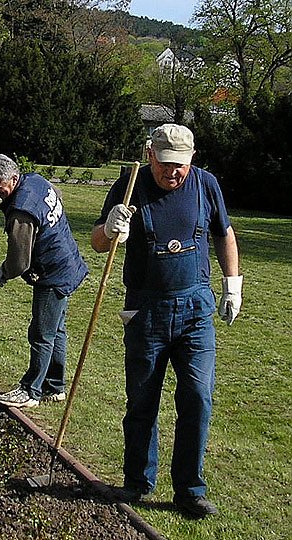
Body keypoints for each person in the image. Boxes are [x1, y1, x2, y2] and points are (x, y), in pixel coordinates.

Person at [91, 124, 242, 519]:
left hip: (195, 310)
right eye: (165, 163)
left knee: (198, 397)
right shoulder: (130, 186)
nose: (172, 172)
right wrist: (110, 229)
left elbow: (224, 233)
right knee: (142, 400)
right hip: (146, 311)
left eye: (180, 165)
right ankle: (137, 482)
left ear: (191, 160)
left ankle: (189, 490)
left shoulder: (205, 185)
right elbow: (97, 242)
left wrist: (232, 285)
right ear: (150, 155)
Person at [0, 153, 88, 409]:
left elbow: (19, 260)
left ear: (13, 178)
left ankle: (31, 391)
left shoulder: (22, 210)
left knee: (41, 333)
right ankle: (54, 386)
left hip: (53, 272)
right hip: (68, 262)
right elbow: (57, 197)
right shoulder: (36, 181)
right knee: (56, 329)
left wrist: (4, 272)